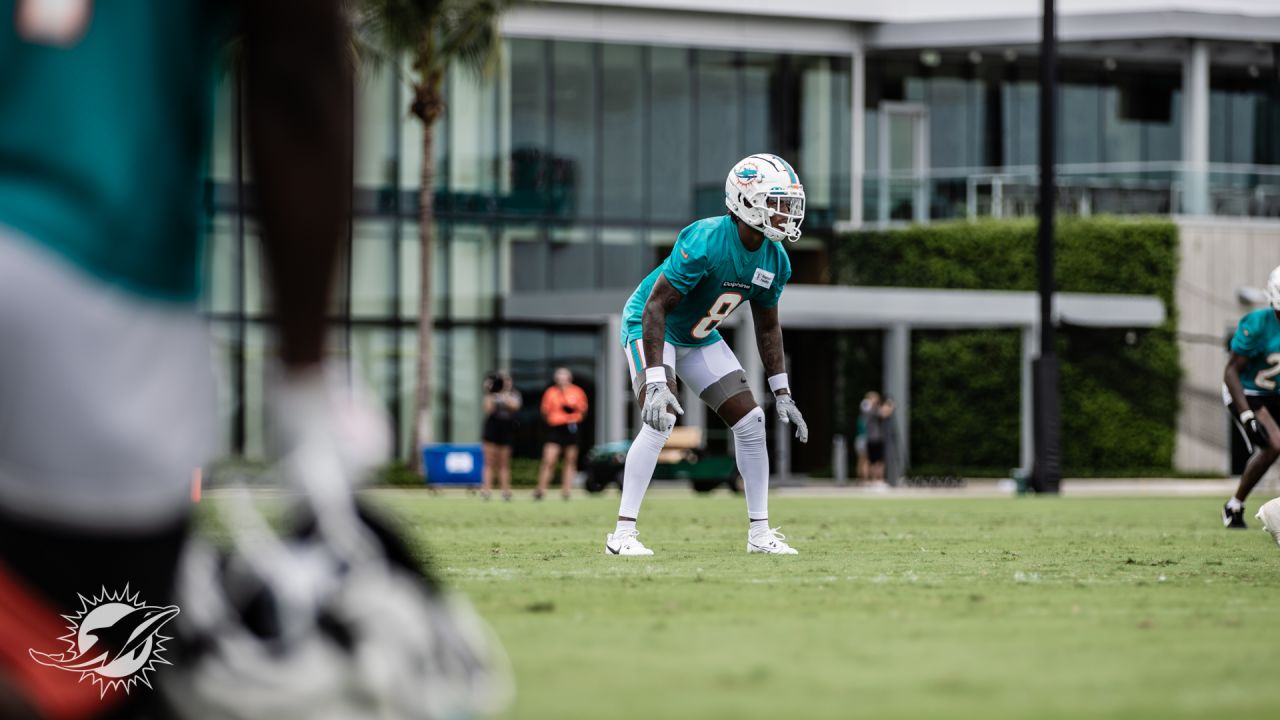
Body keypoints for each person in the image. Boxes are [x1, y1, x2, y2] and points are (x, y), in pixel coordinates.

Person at [604, 153, 809, 557]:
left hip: (699, 337)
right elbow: (655, 307)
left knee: (752, 421)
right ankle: (622, 534)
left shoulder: (775, 258)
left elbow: (767, 325)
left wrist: (782, 390)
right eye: (778, 202)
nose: (787, 213)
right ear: (746, 201)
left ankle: (759, 533)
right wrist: (659, 382)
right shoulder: (705, 239)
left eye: (790, 204)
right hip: (651, 328)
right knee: (659, 418)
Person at [1221, 265, 1280, 528]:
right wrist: (1246, 416)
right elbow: (1231, 372)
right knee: (1273, 445)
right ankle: (1234, 506)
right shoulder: (1257, 324)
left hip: (1275, 392)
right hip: (1247, 392)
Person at [535, 368, 589, 500]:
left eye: (564, 376)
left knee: (570, 460)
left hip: (571, 428)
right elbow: (545, 411)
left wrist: (571, 413)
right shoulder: (551, 392)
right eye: (559, 376)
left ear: (569, 378)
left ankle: (566, 491)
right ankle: (541, 490)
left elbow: (583, 410)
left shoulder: (577, 391)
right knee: (549, 460)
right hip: (555, 429)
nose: (562, 379)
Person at [481, 371, 521, 501]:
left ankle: (505, 491)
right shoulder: (491, 395)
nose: (505, 383)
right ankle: (486, 490)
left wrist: (504, 396)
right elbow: (488, 409)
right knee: (489, 461)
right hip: (492, 428)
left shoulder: (514, 395)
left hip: (507, 429)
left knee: (504, 462)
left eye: (507, 380)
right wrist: (490, 392)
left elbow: (515, 406)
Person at [855, 392, 880, 481]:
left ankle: (864, 479)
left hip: (865, 437)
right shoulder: (866, 404)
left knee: (864, 460)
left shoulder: (867, 406)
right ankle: (863, 480)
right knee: (864, 460)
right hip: (863, 437)